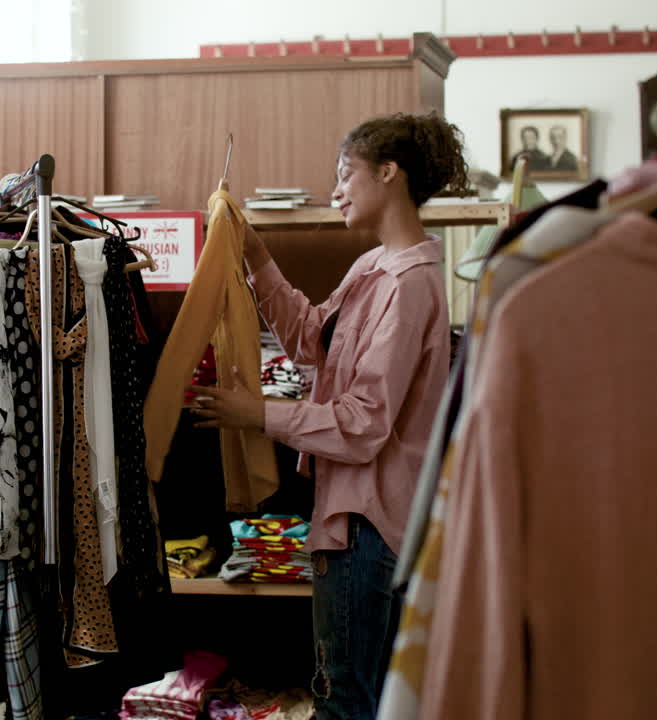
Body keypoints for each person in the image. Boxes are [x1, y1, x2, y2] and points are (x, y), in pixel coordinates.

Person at [187, 113, 462, 719]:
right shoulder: (373, 269)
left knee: (344, 701)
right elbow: (312, 340)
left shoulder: (411, 283)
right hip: (350, 515)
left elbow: (364, 424)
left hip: (368, 523)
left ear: (388, 174)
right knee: (353, 695)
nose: (336, 190)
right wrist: (256, 254)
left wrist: (258, 413)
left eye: (346, 175)